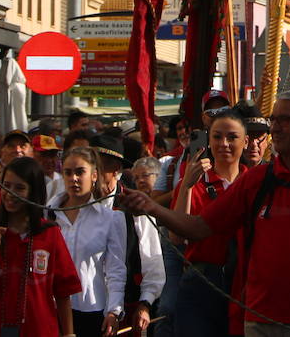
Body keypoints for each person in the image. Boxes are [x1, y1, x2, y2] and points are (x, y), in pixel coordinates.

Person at [126, 89, 290, 337]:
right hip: (259, 323)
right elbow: (198, 228)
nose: (275, 127)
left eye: (285, 120)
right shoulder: (256, 180)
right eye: (274, 119)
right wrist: (152, 207)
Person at [0, 156, 82, 337]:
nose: (10, 193)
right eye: (6, 185)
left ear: (33, 192)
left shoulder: (50, 234)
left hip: (41, 330)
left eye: (19, 188)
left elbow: (64, 291)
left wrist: (69, 334)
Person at [170, 108, 246, 337]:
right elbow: (176, 238)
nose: (224, 143)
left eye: (232, 137)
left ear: (246, 141)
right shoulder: (195, 183)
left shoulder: (254, 183)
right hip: (201, 282)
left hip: (243, 283)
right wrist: (187, 187)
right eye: (217, 137)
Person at [50, 145, 128, 337]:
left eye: (80, 172)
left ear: (94, 175)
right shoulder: (48, 213)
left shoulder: (110, 219)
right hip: (50, 308)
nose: (73, 178)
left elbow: (116, 270)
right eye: (67, 173)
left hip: (91, 310)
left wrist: (114, 310)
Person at [93, 132, 164, 337]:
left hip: (128, 304)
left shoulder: (132, 205)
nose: (97, 172)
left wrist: (145, 304)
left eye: (103, 165)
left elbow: (153, 260)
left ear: (116, 170)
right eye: (92, 165)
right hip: (86, 306)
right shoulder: (72, 206)